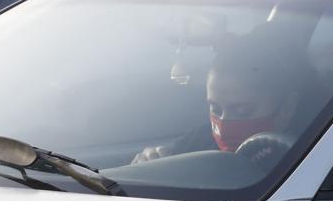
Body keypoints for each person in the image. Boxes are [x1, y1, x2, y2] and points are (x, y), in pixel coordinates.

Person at [132, 24, 318, 165]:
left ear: (287, 108)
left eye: (242, 111)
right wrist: (149, 164)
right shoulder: (199, 142)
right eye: (215, 108)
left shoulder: (313, 158)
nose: (224, 125)